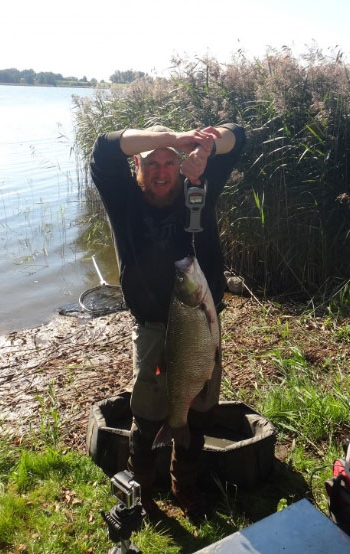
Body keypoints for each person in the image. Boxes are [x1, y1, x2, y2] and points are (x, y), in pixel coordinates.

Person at [90, 122, 246, 519]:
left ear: (180, 165)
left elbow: (239, 135)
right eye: (152, 163)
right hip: (153, 328)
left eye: (169, 163)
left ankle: (185, 485)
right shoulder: (122, 195)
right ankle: (141, 491)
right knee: (147, 416)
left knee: (197, 411)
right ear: (138, 167)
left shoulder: (198, 177)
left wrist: (205, 147)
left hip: (200, 324)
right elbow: (106, 148)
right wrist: (172, 140)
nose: (161, 172)